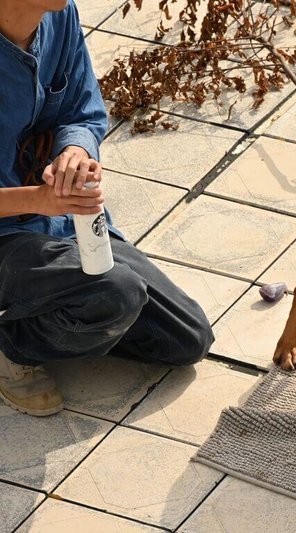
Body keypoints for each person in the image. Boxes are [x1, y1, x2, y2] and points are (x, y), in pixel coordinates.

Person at [0, 0, 214, 416]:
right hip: (7, 236)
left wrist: (75, 151)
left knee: (187, 338)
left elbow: (82, 111)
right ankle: (10, 345)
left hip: (60, 221)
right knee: (116, 293)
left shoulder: (59, 17)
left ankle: (56, 300)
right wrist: (38, 200)